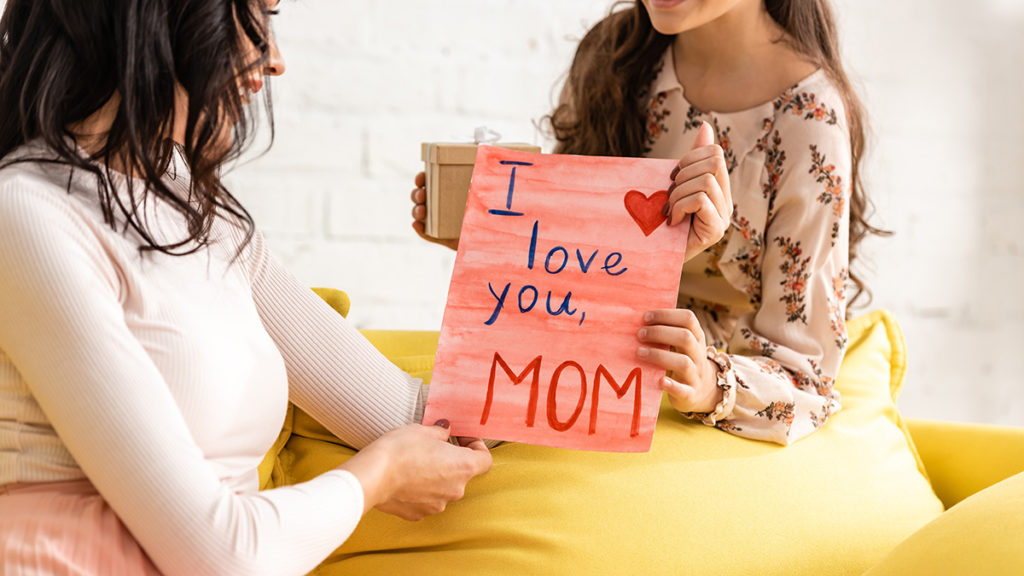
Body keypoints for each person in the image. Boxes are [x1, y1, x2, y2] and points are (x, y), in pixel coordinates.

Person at [0, 1, 492, 574]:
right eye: (257, 14)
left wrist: (507, 260)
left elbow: (419, 416)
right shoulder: (28, 213)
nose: (275, 60)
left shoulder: (203, 213)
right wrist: (377, 477)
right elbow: (219, 555)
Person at [412, 0, 885, 445]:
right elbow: (573, 261)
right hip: (579, 349)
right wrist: (488, 240)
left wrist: (707, 384)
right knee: (429, 426)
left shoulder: (808, 119)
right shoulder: (617, 55)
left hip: (693, 380)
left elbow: (806, 373)